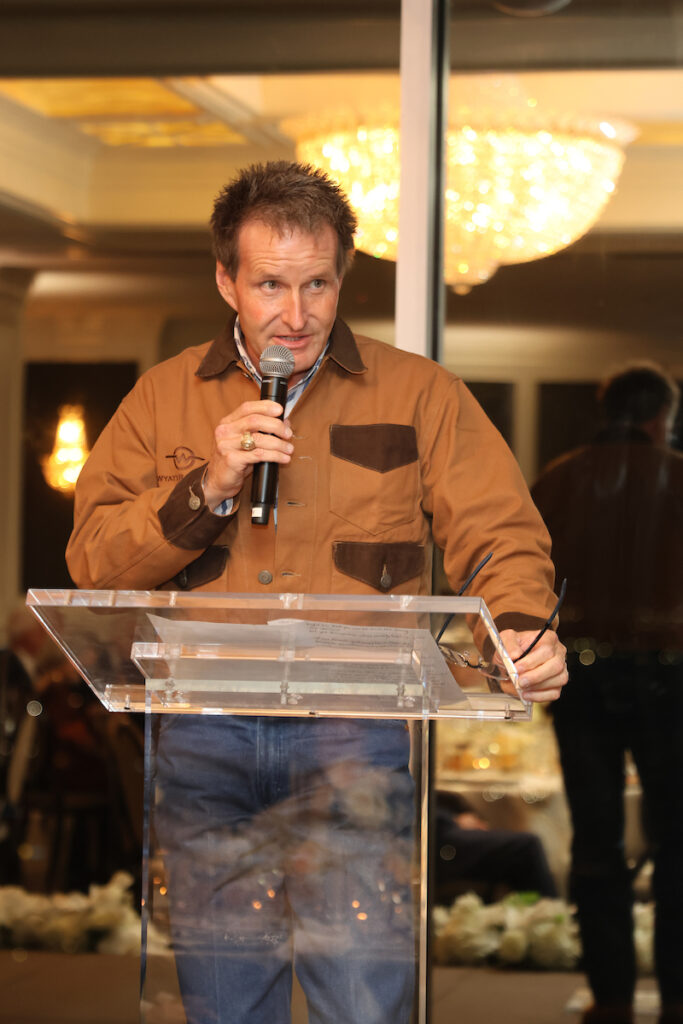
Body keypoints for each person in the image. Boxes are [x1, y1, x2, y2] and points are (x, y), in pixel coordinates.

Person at [66, 160, 567, 1024]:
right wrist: (207, 487)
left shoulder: (423, 394)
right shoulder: (160, 400)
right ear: (225, 279)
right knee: (225, 1005)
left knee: (364, 1003)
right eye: (268, 284)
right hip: (203, 737)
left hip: (355, 736)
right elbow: (93, 563)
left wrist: (518, 628)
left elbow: (501, 535)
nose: (293, 316)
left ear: (342, 278)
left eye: (316, 285)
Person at [532, 364, 683, 1024]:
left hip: (582, 674)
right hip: (673, 674)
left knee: (594, 841)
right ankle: (677, 996)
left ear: (606, 404)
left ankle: (610, 998)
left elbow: (526, 570)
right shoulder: (678, 477)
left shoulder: (560, 477)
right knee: (678, 840)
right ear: (661, 416)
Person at [435, 790, 557, 904]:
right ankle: (548, 919)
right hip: (436, 833)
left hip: (442, 818)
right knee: (526, 846)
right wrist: (451, 821)